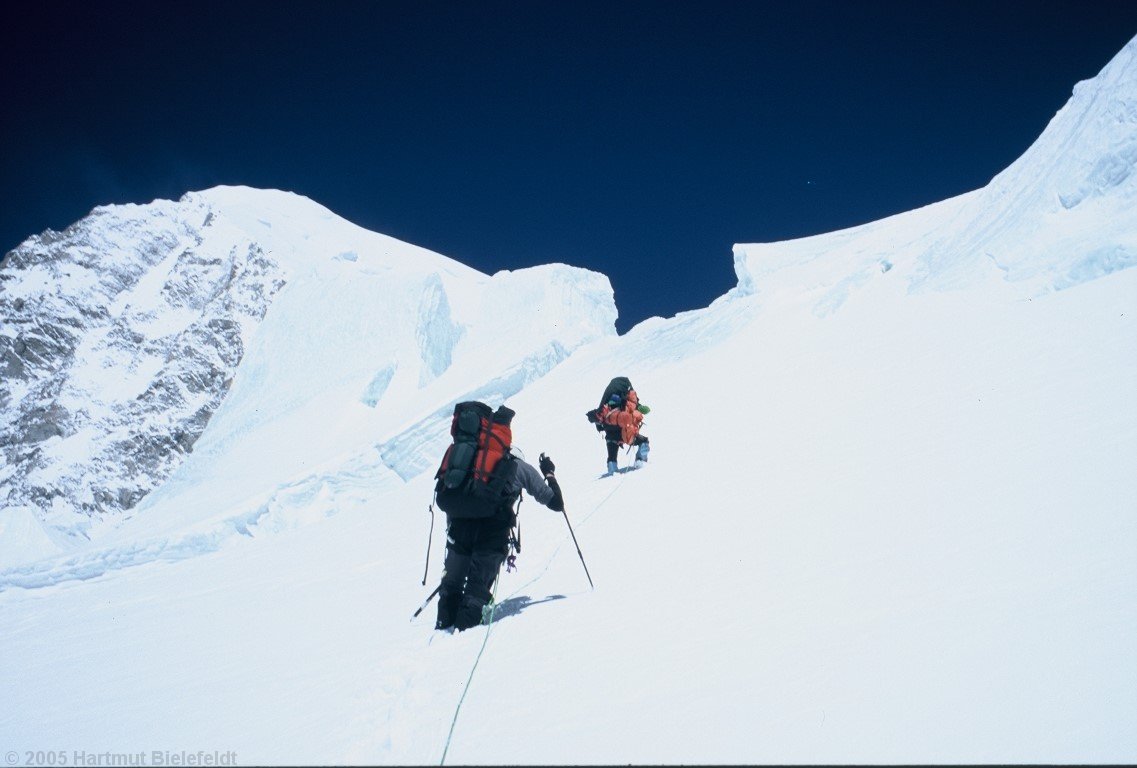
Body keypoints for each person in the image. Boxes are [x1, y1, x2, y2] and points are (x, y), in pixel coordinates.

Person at [436, 441, 564, 632]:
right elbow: (556, 503)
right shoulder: (520, 467)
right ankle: (463, 637)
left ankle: (442, 630)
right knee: (476, 591)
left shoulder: (471, 467)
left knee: (451, 586)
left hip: (459, 533)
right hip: (492, 537)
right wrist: (549, 473)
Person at [598, 383, 649, 474]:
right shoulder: (626, 401)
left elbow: (599, 421)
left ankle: (612, 468)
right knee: (644, 441)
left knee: (612, 449)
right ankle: (640, 461)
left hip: (610, 436)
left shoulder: (607, 404)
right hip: (624, 434)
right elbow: (643, 409)